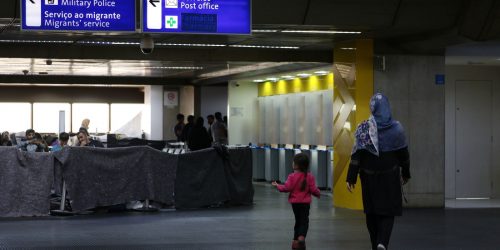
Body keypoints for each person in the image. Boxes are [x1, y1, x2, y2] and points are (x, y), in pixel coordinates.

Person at [346, 93, 410, 250]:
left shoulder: (363, 128)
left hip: (369, 178)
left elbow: (356, 155)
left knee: (371, 211)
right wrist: (406, 173)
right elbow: (404, 155)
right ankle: (382, 242)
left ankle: (375, 244)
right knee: (388, 212)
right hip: (389, 177)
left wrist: (351, 177)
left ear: (372, 108)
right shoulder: (397, 129)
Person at [272, 153, 321, 250]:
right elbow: (313, 189)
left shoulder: (292, 176)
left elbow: (287, 188)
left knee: (298, 221)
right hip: (305, 204)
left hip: (295, 204)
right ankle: (301, 237)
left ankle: (295, 241)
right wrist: (318, 194)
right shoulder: (309, 177)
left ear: (296, 165)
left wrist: (278, 186)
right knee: (304, 221)